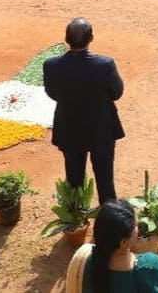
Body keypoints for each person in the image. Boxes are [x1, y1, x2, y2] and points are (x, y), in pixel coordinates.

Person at [42, 18, 125, 203]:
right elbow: (116, 93)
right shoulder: (105, 65)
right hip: (101, 129)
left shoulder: (51, 66)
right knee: (105, 182)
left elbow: (52, 92)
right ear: (91, 38)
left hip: (69, 128)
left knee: (73, 179)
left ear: (66, 39)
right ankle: (108, 222)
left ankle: (75, 221)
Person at [65, 199, 158, 293]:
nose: (137, 228)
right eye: (135, 225)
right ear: (123, 242)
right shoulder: (151, 267)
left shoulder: (82, 262)